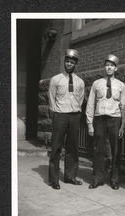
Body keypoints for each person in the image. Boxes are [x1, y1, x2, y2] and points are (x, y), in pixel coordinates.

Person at [86, 54, 125, 190]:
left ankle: (114, 179)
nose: (109, 67)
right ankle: (97, 179)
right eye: (107, 65)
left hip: (115, 119)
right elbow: (90, 104)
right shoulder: (96, 84)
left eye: (112, 65)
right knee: (99, 150)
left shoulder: (121, 85)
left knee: (116, 150)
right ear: (105, 67)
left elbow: (124, 106)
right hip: (99, 119)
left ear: (116, 68)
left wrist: (123, 125)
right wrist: (89, 124)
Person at [48, 49, 85, 190]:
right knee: (56, 147)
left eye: (72, 62)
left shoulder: (80, 82)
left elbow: (80, 99)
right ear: (64, 62)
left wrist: (76, 111)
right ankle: (54, 180)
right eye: (67, 61)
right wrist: (56, 112)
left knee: (73, 147)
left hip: (74, 115)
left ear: (76, 65)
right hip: (60, 115)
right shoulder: (56, 79)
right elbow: (51, 98)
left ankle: (70, 177)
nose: (69, 64)